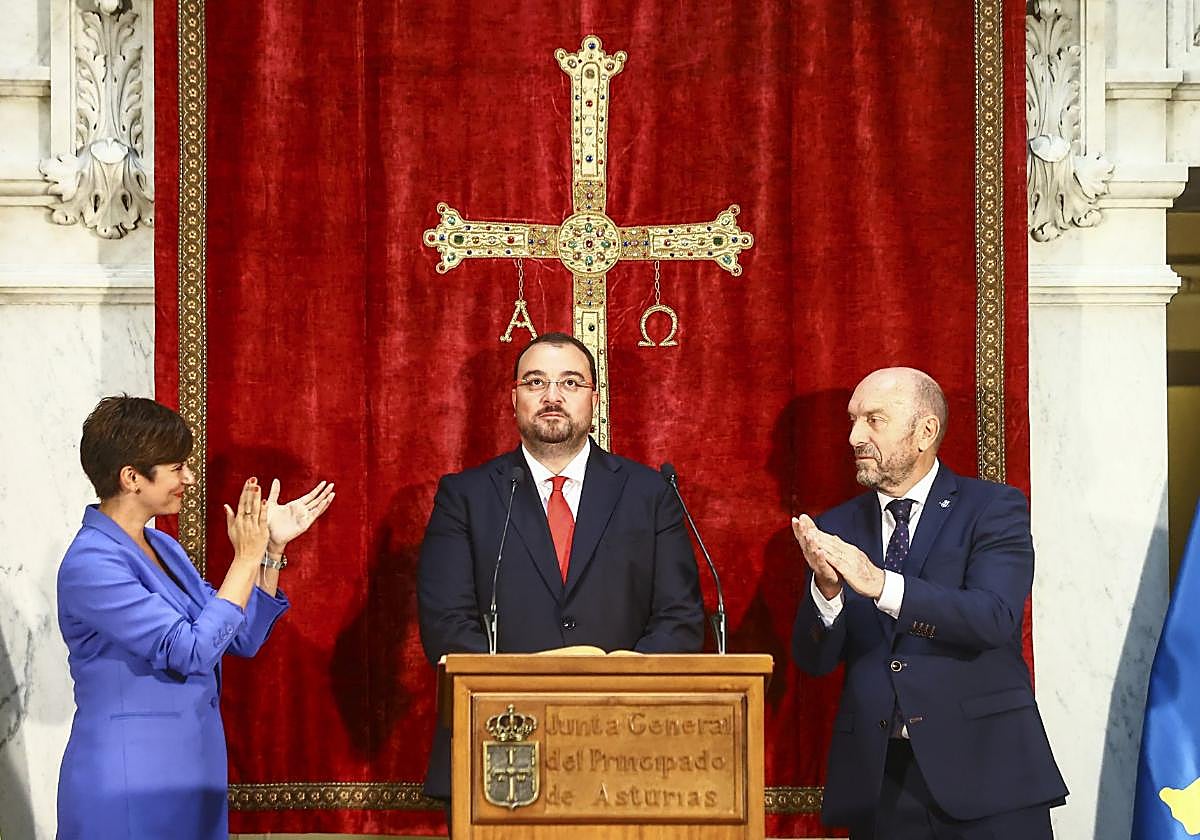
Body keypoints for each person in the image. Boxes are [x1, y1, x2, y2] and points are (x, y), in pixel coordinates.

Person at [417, 331, 705, 800]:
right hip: (501, 742)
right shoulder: (465, 497)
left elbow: (681, 619)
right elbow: (446, 625)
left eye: (571, 383)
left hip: (626, 744)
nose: (552, 396)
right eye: (535, 382)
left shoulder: (650, 494)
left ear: (594, 398)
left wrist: (614, 692)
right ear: (514, 399)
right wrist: (524, 694)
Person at [791, 368, 1067, 839]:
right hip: (882, 787)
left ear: (925, 432)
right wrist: (828, 591)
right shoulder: (834, 526)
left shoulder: (993, 507)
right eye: (853, 420)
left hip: (988, 777)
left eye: (874, 420)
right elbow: (814, 660)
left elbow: (993, 618)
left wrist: (881, 585)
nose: (856, 436)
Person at [56, 396, 334, 840]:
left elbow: (237, 637)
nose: (189, 478)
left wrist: (270, 553)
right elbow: (190, 651)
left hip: (192, 769)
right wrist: (244, 557)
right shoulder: (91, 563)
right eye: (176, 468)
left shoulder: (163, 547)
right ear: (132, 478)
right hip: (131, 781)